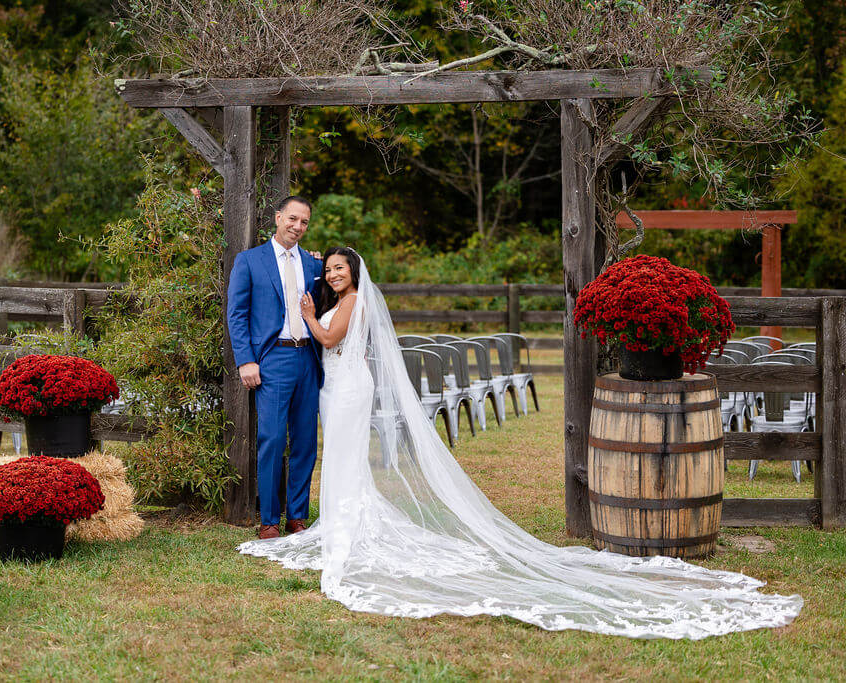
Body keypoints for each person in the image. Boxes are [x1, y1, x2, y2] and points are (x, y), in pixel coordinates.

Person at [238, 246, 803, 640]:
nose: (334, 274)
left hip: (347, 390)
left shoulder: (350, 301)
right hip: (337, 387)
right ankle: (337, 518)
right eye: (329, 269)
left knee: (339, 458)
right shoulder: (339, 290)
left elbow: (332, 337)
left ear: (354, 272)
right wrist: (314, 287)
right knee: (336, 461)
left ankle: (344, 523)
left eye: (340, 268)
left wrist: (311, 317)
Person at [226, 196, 324, 540]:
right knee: (270, 440)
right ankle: (268, 520)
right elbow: (236, 315)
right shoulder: (250, 261)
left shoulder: (314, 266)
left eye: (305, 223)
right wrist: (246, 360)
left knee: (305, 441)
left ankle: (297, 516)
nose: (298, 227)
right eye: (293, 219)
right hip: (272, 360)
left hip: (308, 358)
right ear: (279, 217)